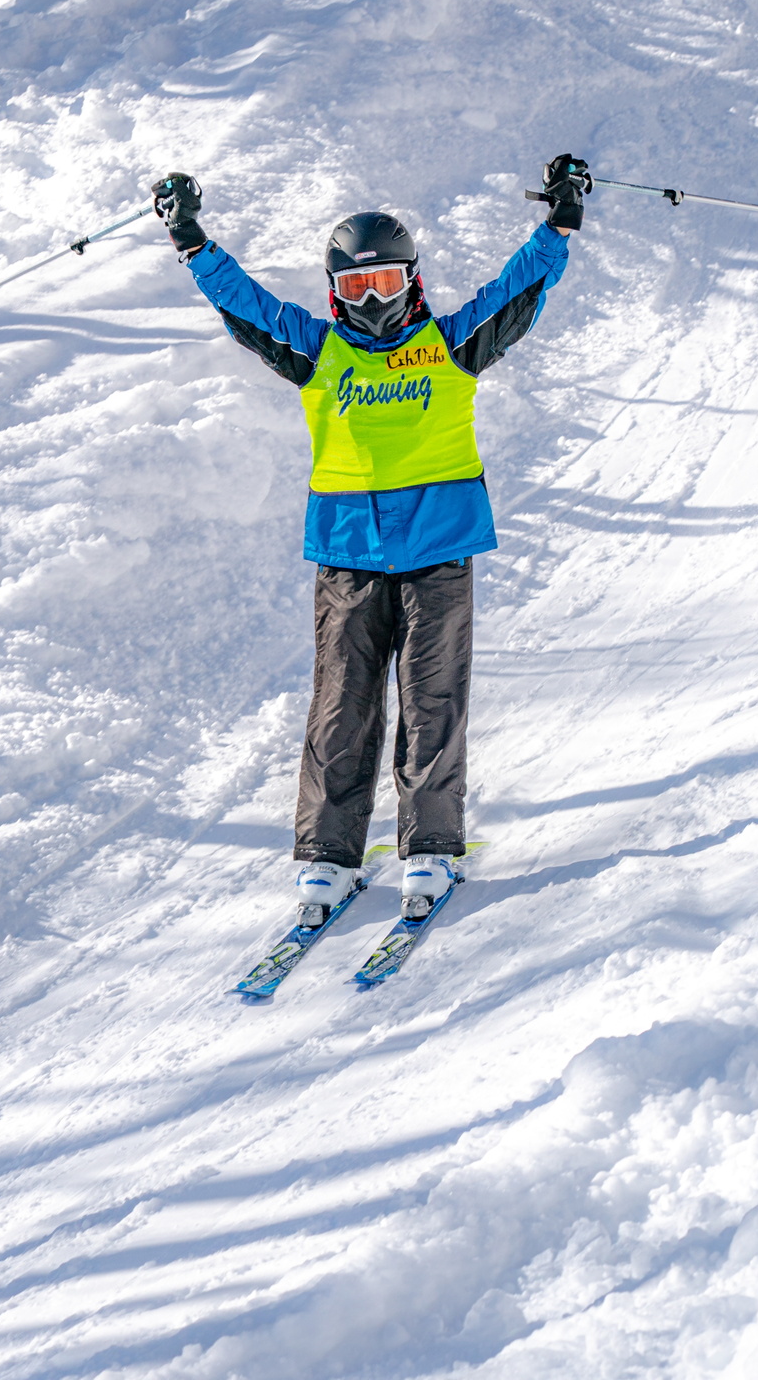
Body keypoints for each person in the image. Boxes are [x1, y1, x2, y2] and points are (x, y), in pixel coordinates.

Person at [151, 157, 591, 926]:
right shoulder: (322, 354)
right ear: (334, 293)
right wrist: (193, 240)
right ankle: (329, 856)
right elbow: (245, 305)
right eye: (355, 287)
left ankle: (430, 846)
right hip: (349, 557)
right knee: (340, 707)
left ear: (411, 279)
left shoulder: (453, 345)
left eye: (385, 281)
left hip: (438, 554)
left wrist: (556, 224)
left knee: (432, 701)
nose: (373, 299)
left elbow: (518, 291)